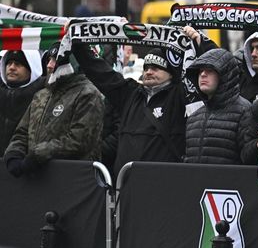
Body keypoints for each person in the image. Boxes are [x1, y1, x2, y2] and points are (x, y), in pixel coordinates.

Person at [71, 26, 208, 176]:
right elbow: (100, 72)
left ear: (171, 73)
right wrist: (78, 43)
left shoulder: (180, 97)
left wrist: (200, 44)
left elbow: (208, 70)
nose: (149, 72)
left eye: (156, 68)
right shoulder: (130, 94)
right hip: (126, 186)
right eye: (146, 68)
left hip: (165, 186)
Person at [4, 43, 104, 177]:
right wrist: (14, 153)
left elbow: (79, 140)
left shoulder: (88, 94)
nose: (49, 65)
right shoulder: (42, 95)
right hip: (37, 178)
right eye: (49, 60)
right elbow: (22, 131)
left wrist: (38, 154)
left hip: (73, 178)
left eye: (55, 60)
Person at [183, 48, 251, 164]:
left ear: (225, 75)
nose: (203, 74)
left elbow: (249, 160)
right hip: (194, 181)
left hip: (228, 181)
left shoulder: (245, 111)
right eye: (200, 71)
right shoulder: (193, 118)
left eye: (210, 70)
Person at [0, 50, 45, 154]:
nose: (11, 67)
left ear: (31, 69)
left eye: (18, 64)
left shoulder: (43, 94)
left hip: (23, 161)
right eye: (9, 63)